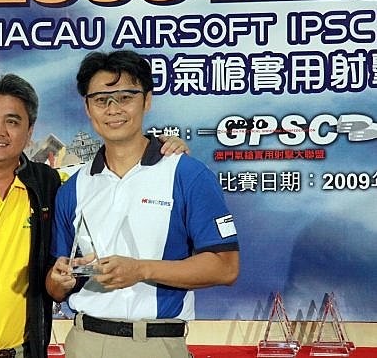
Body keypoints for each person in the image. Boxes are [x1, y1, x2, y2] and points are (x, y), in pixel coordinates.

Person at [0, 73, 190, 358]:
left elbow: (111, 169)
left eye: (12, 121)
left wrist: (159, 149)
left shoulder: (48, 186)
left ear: (29, 131)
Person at [46, 50, 240, 358]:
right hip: (85, 342)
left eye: (125, 97)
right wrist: (59, 279)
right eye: (101, 100)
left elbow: (226, 268)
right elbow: (55, 287)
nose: (113, 109)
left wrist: (141, 269)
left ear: (147, 100)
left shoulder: (187, 173)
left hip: (156, 343)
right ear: (87, 108)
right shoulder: (73, 187)